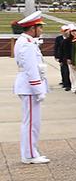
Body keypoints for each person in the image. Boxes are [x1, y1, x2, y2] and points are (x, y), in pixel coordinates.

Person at [13, 11, 49, 164]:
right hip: (29, 87)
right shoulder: (27, 44)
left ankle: (31, 152)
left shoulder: (27, 41)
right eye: (39, 27)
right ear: (32, 28)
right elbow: (31, 68)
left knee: (33, 122)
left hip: (28, 86)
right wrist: (38, 89)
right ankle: (29, 155)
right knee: (31, 123)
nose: (41, 30)